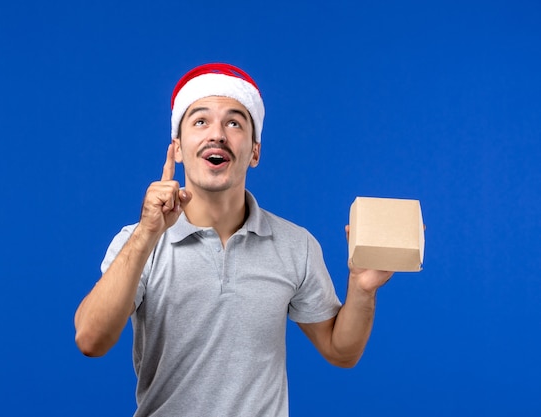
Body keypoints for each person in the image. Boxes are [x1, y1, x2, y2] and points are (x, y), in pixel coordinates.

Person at [74, 63, 393, 416]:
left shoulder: (295, 244)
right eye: (200, 121)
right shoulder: (137, 242)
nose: (217, 135)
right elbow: (91, 340)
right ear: (177, 149)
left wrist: (362, 289)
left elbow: (341, 351)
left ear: (254, 152)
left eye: (234, 122)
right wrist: (147, 233)